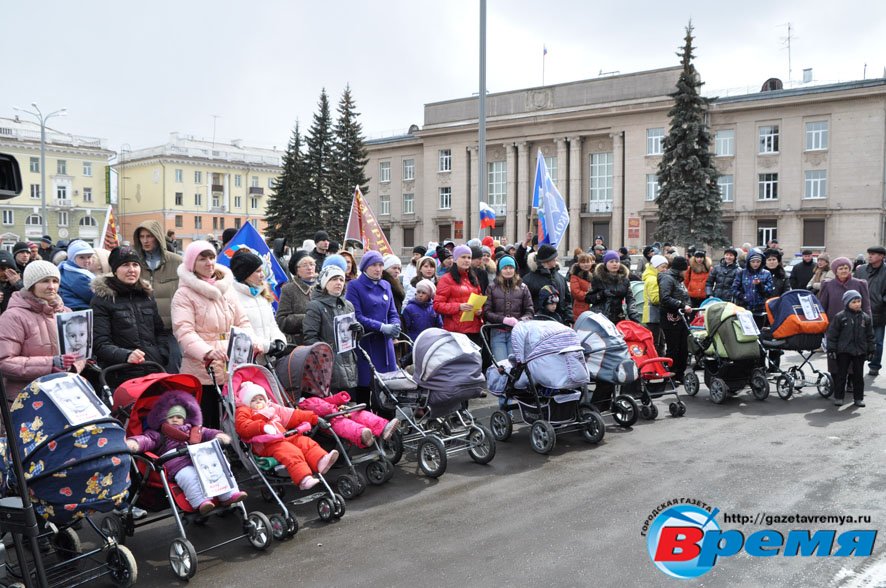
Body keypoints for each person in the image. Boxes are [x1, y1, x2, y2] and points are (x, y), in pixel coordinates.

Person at [171, 240, 254, 428]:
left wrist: (249, 343)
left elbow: (243, 322)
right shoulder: (184, 294)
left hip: (231, 364)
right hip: (202, 368)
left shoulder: (227, 289)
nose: (209, 263)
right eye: (202, 259)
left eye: (211, 258)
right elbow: (184, 331)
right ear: (192, 263)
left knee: (236, 417)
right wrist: (207, 352)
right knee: (208, 421)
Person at [125, 390, 246, 515]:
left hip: (200, 459)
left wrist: (218, 436)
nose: (175, 420)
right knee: (189, 477)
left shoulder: (193, 429)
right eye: (171, 417)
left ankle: (228, 494)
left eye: (179, 417)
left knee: (219, 468)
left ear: (185, 419)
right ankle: (201, 501)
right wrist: (135, 443)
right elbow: (146, 440)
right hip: (177, 464)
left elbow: (207, 432)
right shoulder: (159, 433)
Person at [235, 382, 339, 491]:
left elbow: (293, 415)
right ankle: (304, 479)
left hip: (283, 437)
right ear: (246, 402)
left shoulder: (271, 408)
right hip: (266, 444)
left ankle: (320, 461)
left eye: (261, 398)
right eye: (253, 400)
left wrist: (313, 418)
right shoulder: (245, 411)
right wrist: (262, 427)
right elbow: (243, 427)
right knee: (291, 451)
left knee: (305, 441)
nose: (258, 401)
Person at [0, 261, 78, 402]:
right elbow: (4, 362)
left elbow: (79, 353)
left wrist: (73, 365)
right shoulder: (13, 317)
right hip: (25, 398)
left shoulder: (67, 312)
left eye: (55, 281)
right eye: (44, 281)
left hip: (63, 393)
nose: (51, 286)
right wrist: (50, 364)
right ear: (31, 285)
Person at [91, 246, 169, 368]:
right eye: (125, 265)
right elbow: (100, 343)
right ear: (115, 270)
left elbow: (160, 332)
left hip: (154, 367)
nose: (132, 270)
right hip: (121, 370)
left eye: (135, 265)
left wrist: (162, 355)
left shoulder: (146, 295)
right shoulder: (103, 299)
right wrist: (126, 355)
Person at [345, 250, 401, 406]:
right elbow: (356, 315)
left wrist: (396, 325)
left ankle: (388, 421)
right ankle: (367, 421)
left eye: (381, 265)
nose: (378, 269)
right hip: (366, 342)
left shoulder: (386, 285)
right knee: (366, 383)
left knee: (387, 385)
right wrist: (381, 327)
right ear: (365, 268)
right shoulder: (355, 286)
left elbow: (392, 311)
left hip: (385, 344)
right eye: (374, 265)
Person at [133, 220, 184, 373]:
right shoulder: (134, 263)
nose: (145, 240)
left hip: (171, 328)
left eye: (149, 236)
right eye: (142, 236)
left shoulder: (176, 262)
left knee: (174, 367)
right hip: (143, 328)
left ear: (158, 237)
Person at [304, 265, 362, 393]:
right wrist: (324, 358)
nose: (339, 283)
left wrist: (358, 330)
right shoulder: (315, 306)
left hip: (349, 361)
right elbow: (310, 338)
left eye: (341, 280)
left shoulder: (348, 305)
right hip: (328, 365)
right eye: (334, 279)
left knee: (350, 404)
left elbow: (354, 338)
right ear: (325, 283)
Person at [229, 249, 287, 360]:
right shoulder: (233, 296)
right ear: (245, 274)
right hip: (246, 359)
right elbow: (238, 331)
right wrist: (267, 346)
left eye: (262, 270)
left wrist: (278, 339)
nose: (262, 275)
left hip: (267, 359)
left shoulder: (262, 294)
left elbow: (272, 324)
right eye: (258, 271)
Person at [827, 290, 874, 407]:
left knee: (858, 376)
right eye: (854, 302)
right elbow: (832, 335)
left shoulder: (865, 318)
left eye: (859, 301)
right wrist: (832, 349)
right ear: (847, 303)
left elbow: (870, 335)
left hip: (859, 351)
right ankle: (839, 397)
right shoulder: (840, 317)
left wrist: (871, 349)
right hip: (844, 351)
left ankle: (858, 398)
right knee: (841, 375)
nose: (857, 304)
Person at [483, 255, 534, 360]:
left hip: (516, 332)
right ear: (500, 270)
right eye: (505, 268)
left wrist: (519, 321)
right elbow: (487, 312)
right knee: (501, 364)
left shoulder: (523, 288)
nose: (508, 270)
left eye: (511, 267)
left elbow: (529, 311)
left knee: (514, 365)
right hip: (497, 332)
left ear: (515, 269)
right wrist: (503, 319)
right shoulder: (492, 288)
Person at [434, 244, 483, 346]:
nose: (467, 260)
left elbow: (480, 298)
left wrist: (480, 310)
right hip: (456, 331)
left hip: (474, 329)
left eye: (469, 257)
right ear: (455, 259)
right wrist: (459, 306)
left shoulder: (473, 278)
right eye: (463, 257)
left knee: (474, 361)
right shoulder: (446, 279)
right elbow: (437, 305)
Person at [658, 256, 692, 382]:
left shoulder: (679, 279)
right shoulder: (667, 278)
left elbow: (685, 295)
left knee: (684, 347)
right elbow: (665, 298)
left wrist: (688, 305)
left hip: (682, 316)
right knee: (673, 347)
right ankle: (671, 374)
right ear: (680, 269)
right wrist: (682, 305)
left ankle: (680, 374)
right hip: (670, 316)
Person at [853, 246, 886, 377]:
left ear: (882, 256)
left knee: (877, 342)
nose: (870, 256)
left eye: (873, 254)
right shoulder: (861, 270)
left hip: (879, 312)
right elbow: (853, 286)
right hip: (860, 311)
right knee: (858, 340)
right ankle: (857, 365)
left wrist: (881, 300)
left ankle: (874, 366)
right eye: (869, 254)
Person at [522, 243, 572, 326]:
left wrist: (568, 319)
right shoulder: (529, 279)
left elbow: (567, 300)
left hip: (560, 323)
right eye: (554, 258)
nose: (556, 260)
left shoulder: (560, 278)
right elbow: (525, 303)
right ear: (546, 261)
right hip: (537, 324)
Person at [587, 250, 641, 324]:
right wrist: (601, 294)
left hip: (617, 317)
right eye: (611, 262)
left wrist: (633, 314)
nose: (615, 264)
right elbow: (588, 298)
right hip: (600, 317)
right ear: (606, 264)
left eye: (617, 261)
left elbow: (630, 298)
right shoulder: (597, 278)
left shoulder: (624, 280)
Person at [277, 251, 317, 345]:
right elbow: (281, 321)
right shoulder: (289, 289)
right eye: (304, 265)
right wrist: (306, 318)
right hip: (300, 344)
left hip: (322, 342)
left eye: (312, 264)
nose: (309, 268)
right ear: (297, 270)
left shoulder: (322, 287)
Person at [731, 250, 774, 319]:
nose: (755, 264)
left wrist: (760, 285)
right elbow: (734, 289)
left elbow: (770, 291)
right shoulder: (742, 273)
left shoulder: (766, 273)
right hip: (744, 308)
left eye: (758, 262)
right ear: (749, 262)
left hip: (760, 308)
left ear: (761, 262)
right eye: (753, 262)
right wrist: (743, 296)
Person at [58, 240, 96, 311]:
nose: (87, 260)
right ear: (72, 258)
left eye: (89, 257)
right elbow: (93, 296)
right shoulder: (79, 277)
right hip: (79, 309)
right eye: (82, 257)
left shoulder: (67, 268)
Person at [401, 279, 442, 343]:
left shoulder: (434, 308)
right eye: (418, 292)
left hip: (431, 341)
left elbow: (439, 326)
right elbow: (405, 328)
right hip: (414, 341)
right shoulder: (409, 309)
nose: (420, 295)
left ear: (429, 295)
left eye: (424, 293)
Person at [643, 254, 669, 355]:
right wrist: (667, 297)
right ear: (655, 266)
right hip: (653, 315)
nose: (665, 270)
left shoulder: (655, 277)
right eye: (663, 267)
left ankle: (659, 364)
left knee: (660, 341)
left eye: (666, 267)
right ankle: (654, 364)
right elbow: (655, 299)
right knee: (655, 343)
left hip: (655, 315)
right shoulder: (653, 279)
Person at [569, 253, 594, 323]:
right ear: (579, 263)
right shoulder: (575, 276)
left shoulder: (595, 274)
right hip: (580, 307)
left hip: (593, 307)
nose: (586, 264)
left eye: (588, 262)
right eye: (583, 262)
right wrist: (589, 296)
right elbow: (575, 292)